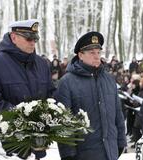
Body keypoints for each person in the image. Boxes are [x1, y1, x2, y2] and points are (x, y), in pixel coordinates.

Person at [0, 19, 55, 159]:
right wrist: (25, 121)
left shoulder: (42, 64)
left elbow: (51, 94)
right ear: (13, 37)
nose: (33, 42)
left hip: (39, 143)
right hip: (9, 144)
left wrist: (49, 116)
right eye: (28, 38)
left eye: (35, 38)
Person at [54, 31, 127, 160]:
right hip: (83, 154)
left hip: (110, 152)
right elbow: (63, 123)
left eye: (98, 52)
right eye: (92, 53)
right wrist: (68, 154)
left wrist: (121, 142)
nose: (97, 56)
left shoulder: (109, 80)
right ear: (80, 55)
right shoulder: (67, 82)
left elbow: (118, 115)